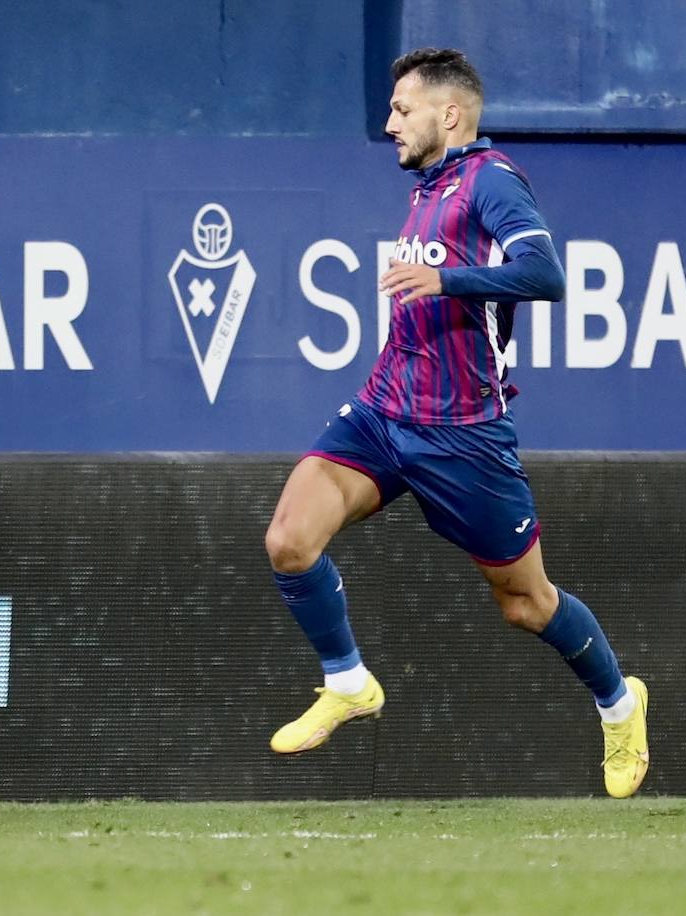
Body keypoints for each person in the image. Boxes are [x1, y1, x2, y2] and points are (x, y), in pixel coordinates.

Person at [264, 48, 649, 798]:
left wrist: (448, 278)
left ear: (451, 113)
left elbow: (547, 275)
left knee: (526, 603)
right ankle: (347, 682)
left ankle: (619, 702)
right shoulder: (426, 188)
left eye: (402, 109)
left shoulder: (491, 181)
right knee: (288, 540)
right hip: (383, 412)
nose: (389, 124)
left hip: (463, 433)